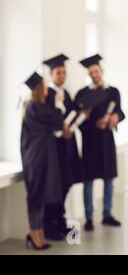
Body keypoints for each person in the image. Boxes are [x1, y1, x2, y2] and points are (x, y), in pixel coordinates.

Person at [74, 54, 125, 231]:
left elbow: (121, 112)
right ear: (88, 74)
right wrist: (94, 123)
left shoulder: (113, 92)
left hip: (107, 142)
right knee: (88, 180)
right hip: (90, 142)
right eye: (91, 72)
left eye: (96, 70)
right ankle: (88, 217)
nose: (94, 74)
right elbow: (78, 121)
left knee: (109, 179)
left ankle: (107, 214)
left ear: (101, 70)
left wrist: (115, 117)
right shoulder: (82, 94)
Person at [21, 71, 66, 250]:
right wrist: (59, 104)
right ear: (39, 89)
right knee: (35, 197)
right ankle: (34, 233)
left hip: (39, 157)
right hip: (35, 158)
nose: (48, 90)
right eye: (46, 86)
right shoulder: (33, 107)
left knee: (38, 197)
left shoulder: (36, 106)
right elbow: (56, 119)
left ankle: (37, 233)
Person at [42, 54, 83, 240]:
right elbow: (47, 119)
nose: (62, 75)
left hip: (67, 145)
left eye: (64, 72)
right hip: (54, 148)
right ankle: (49, 223)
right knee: (54, 186)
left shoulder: (65, 93)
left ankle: (60, 219)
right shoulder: (47, 94)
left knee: (66, 182)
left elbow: (73, 113)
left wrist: (71, 128)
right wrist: (61, 129)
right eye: (58, 72)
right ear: (51, 75)